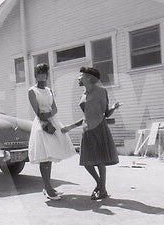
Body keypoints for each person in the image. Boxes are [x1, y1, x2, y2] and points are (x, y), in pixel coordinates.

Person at [62, 66, 121, 200]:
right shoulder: (83, 95)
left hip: (99, 128)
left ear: (89, 77)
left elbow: (105, 113)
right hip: (86, 130)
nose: (78, 78)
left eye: (81, 75)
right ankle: (100, 185)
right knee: (87, 162)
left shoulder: (101, 91)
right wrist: (70, 127)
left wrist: (113, 108)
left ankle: (103, 189)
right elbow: (86, 116)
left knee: (99, 160)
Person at [28, 63, 76, 200]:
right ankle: (48, 189)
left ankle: (47, 186)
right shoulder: (32, 91)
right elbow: (38, 112)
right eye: (39, 73)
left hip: (53, 122)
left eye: (45, 73)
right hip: (42, 125)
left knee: (50, 157)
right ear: (36, 75)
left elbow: (55, 108)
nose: (42, 76)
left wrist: (49, 113)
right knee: (45, 157)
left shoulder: (49, 90)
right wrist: (48, 114)